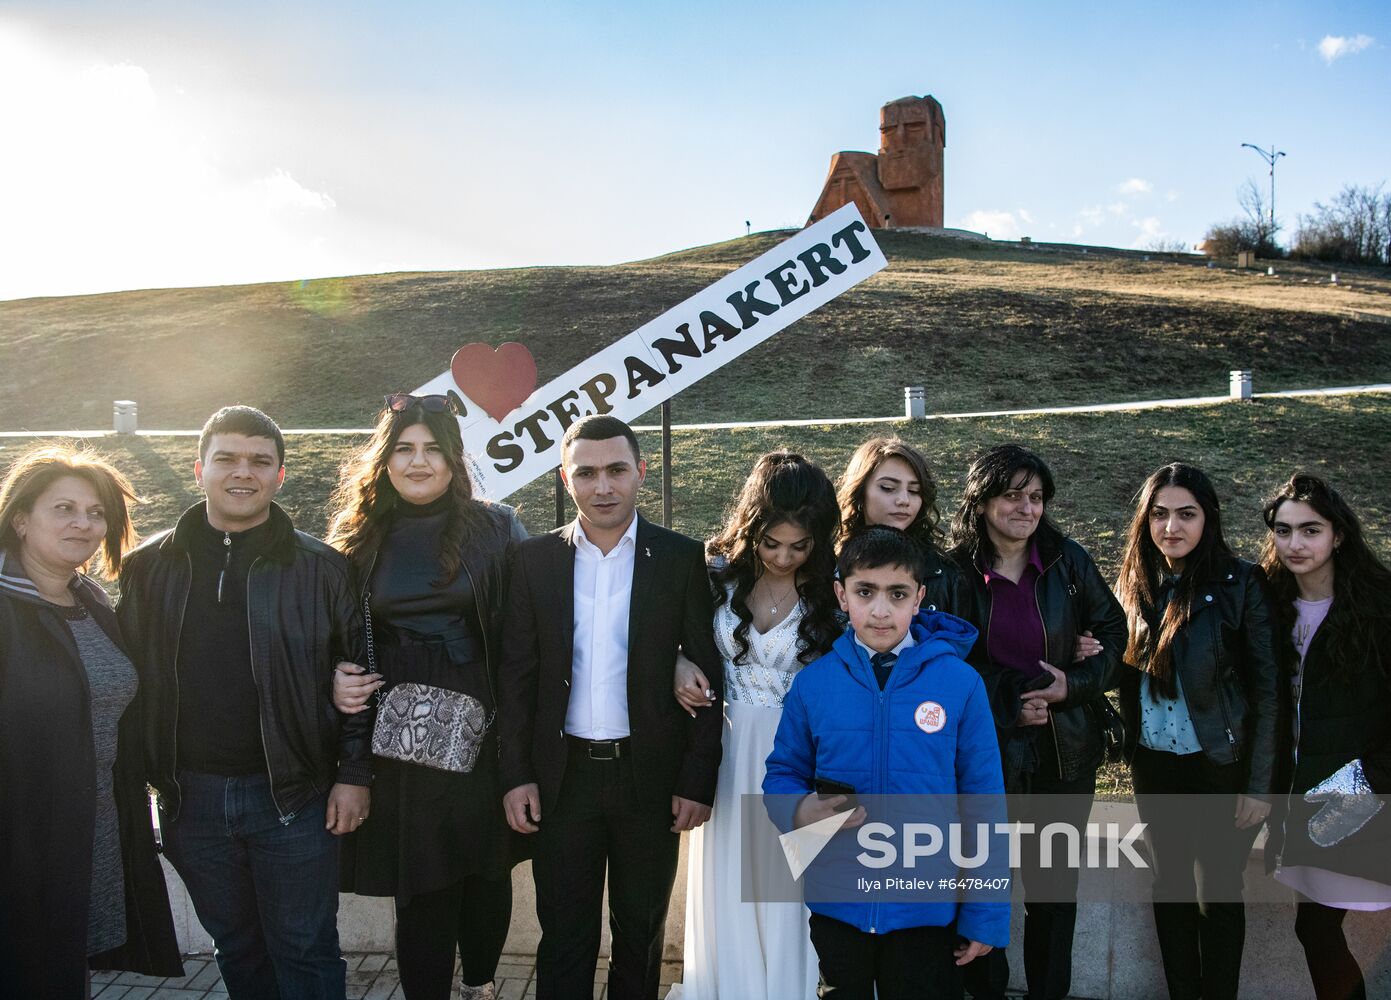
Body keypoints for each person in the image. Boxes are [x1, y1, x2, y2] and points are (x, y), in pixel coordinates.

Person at [117, 405, 373, 1000]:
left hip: (294, 795)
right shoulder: (147, 567)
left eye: (260, 461)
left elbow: (361, 677)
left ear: (280, 475)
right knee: (236, 948)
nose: (243, 472)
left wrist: (354, 773)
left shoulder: (325, 568)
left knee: (306, 950)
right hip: (190, 801)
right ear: (199, 466)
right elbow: (130, 682)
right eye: (227, 458)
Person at [496, 414, 725, 1000]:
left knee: (641, 933)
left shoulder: (678, 559)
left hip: (647, 779)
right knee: (565, 935)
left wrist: (697, 780)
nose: (603, 486)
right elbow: (517, 678)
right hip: (562, 778)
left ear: (640, 472)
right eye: (587, 473)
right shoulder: (534, 562)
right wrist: (516, 774)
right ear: (566, 480)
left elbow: (707, 675)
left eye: (617, 470)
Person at [325, 393, 527, 1000]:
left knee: (487, 873)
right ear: (383, 461)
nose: (419, 462)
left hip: (483, 730)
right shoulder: (355, 539)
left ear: (454, 459)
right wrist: (331, 677)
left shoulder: (497, 527)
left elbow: (543, 617)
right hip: (400, 737)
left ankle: (483, 984)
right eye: (404, 449)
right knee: (424, 885)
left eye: (433, 450)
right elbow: (325, 637)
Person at [763, 526, 1008, 1000]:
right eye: (865, 592)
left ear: (918, 598)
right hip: (838, 902)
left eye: (896, 594)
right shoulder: (814, 685)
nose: (880, 609)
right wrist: (797, 809)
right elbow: (783, 772)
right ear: (842, 595)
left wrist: (985, 913)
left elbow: (985, 806)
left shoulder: (960, 684)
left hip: (928, 909)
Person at [0, 445, 182, 999]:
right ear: (21, 519)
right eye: (64, 508)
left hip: (94, 824)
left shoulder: (94, 603)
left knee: (64, 964)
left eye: (96, 512)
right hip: (22, 838)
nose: (83, 522)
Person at [947, 443, 1126, 1000]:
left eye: (1037, 497)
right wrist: (1011, 700)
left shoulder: (1067, 561)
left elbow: (1114, 634)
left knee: (1053, 893)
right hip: (987, 753)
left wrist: (1074, 683)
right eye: (1012, 495)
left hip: (1063, 751)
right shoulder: (953, 571)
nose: (1027, 508)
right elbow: (948, 664)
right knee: (981, 885)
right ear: (981, 501)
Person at [669, 451, 843, 999]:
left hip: (796, 756)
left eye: (799, 547)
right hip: (722, 750)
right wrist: (678, 662)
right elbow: (669, 634)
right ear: (751, 528)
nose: (784, 557)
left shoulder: (833, 596)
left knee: (785, 889)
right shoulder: (715, 577)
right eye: (771, 544)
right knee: (728, 885)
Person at [1115, 462, 1279, 1000]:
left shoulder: (1240, 583)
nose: (1171, 527)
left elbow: (1268, 690)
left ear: (1208, 518)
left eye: (1186, 514)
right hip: (1155, 765)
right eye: (1159, 515)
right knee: (1170, 888)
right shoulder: (1134, 584)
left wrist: (1258, 787)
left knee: (1219, 893)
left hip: (1219, 764)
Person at [1260, 474, 1391, 1000]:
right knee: (1315, 929)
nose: (1295, 544)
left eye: (1310, 530)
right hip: (1308, 798)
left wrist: (1368, 782)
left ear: (1338, 536)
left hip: (1362, 792)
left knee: (1316, 928)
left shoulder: (1379, 608)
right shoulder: (1268, 606)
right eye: (1283, 530)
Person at [837, 435, 957, 611]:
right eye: (888, 488)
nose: (904, 500)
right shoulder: (827, 566)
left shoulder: (943, 573)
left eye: (914, 490)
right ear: (860, 492)